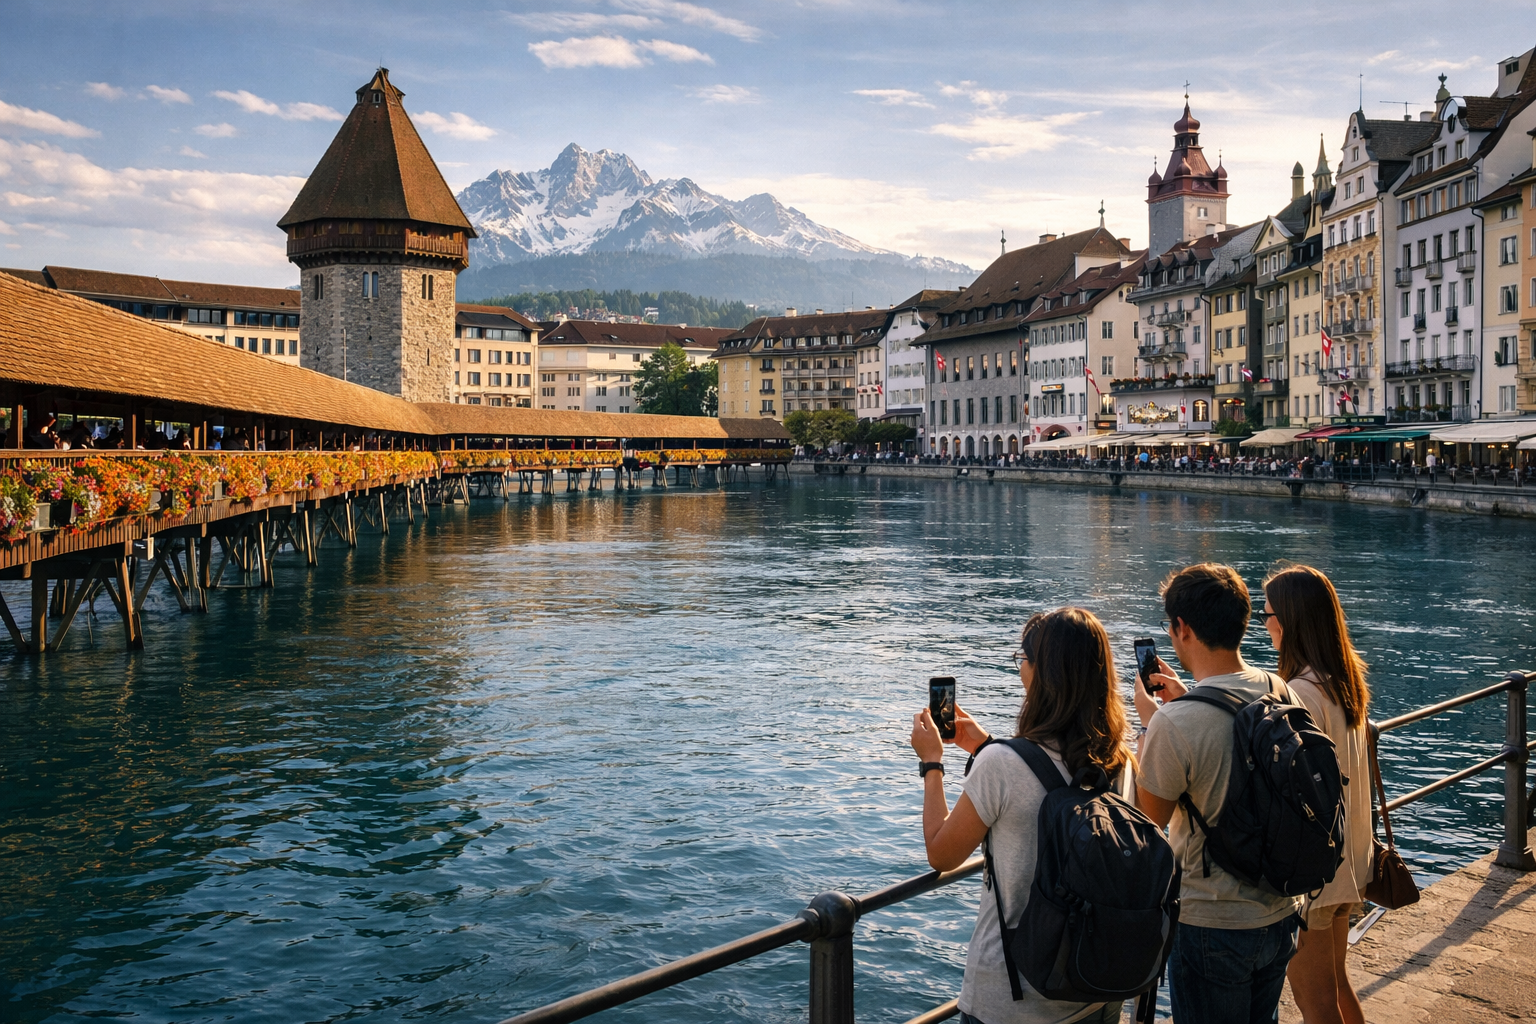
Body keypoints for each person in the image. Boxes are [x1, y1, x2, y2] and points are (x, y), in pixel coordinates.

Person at [909, 608, 1133, 1024]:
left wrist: (932, 763)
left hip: (1014, 998)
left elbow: (941, 854)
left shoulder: (1002, 765)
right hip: (1094, 983)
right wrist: (984, 747)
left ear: (1042, 673)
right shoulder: (1119, 760)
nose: (1020, 671)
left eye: (1022, 660)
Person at [1131, 563, 1302, 1024]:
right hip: (1282, 909)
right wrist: (1187, 698)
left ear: (1181, 628)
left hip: (1213, 922)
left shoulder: (1175, 722)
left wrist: (1150, 727)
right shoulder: (1279, 688)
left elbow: (1148, 819)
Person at [1262, 566, 1371, 1024]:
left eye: (1267, 613)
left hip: (1316, 877)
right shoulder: (1342, 683)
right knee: (1338, 988)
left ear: (1288, 620)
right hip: (1350, 865)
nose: (1264, 623)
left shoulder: (1298, 692)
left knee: (1316, 1004)